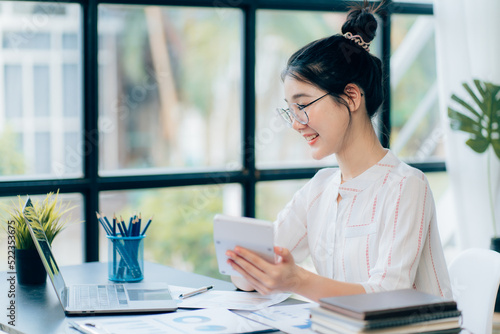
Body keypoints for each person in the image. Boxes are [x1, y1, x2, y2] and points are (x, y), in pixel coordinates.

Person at [226, 1, 452, 302]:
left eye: (303, 106)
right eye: (290, 110)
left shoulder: (406, 186)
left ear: (351, 97)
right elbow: (253, 269)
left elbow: (386, 297)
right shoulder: (319, 188)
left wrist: (297, 280)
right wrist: (248, 268)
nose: (296, 124)